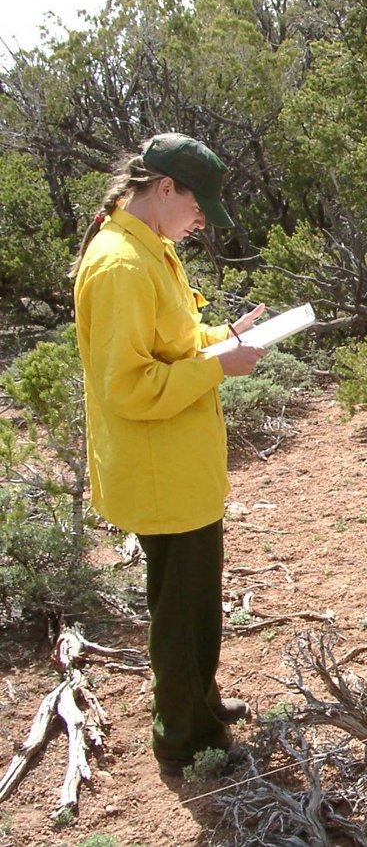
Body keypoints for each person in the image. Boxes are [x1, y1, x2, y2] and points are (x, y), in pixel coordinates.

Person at [72, 133, 267, 776]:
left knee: (192, 604)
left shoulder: (148, 248)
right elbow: (127, 386)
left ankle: (198, 704)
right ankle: (187, 740)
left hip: (178, 466)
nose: (201, 219)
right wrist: (220, 368)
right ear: (164, 190)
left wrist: (224, 339)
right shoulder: (122, 264)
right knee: (183, 614)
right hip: (161, 474)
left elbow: (172, 342)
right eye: (198, 206)